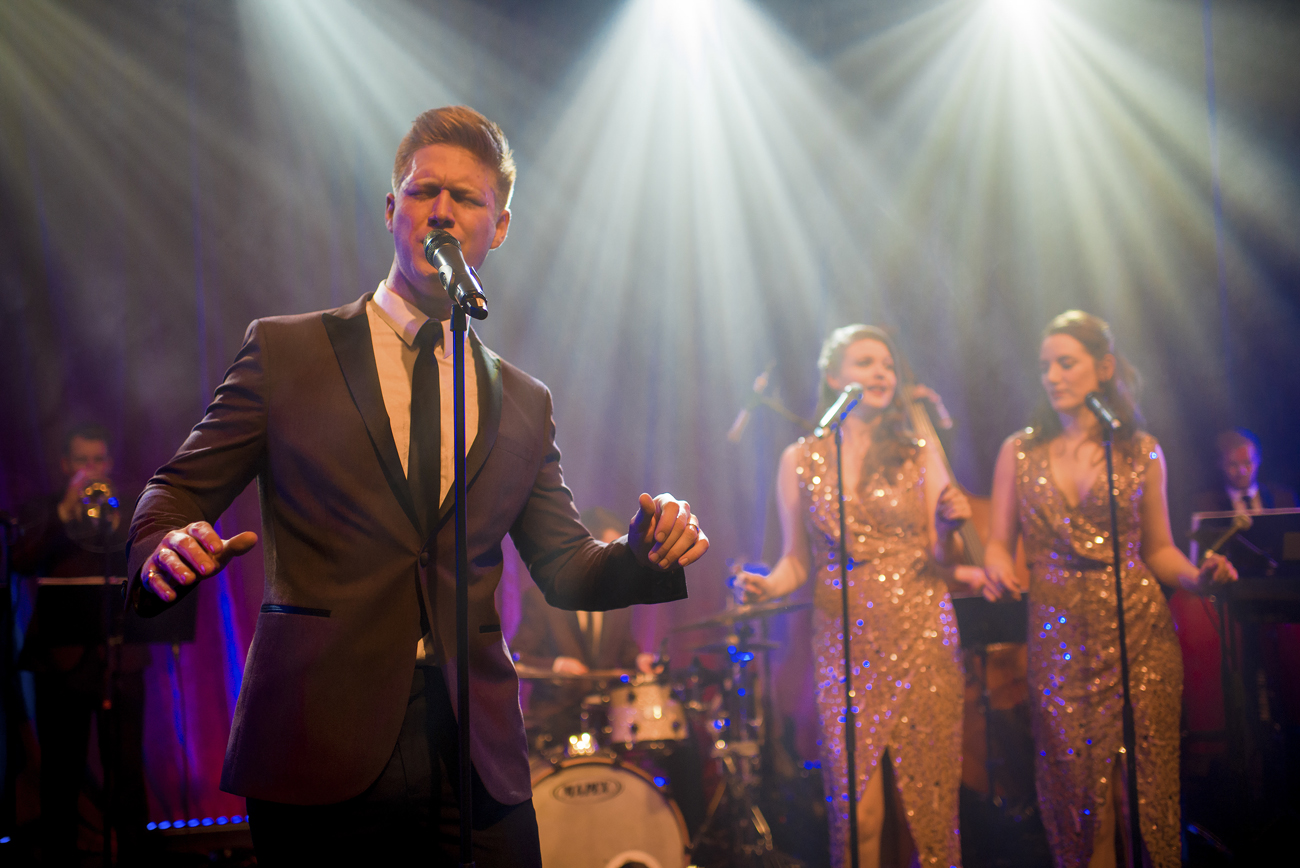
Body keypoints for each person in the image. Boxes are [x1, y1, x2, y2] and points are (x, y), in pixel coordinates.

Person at [126, 106, 709, 866]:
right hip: (319, 738)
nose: (442, 210)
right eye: (424, 190)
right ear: (392, 209)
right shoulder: (288, 352)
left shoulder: (522, 401)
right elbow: (175, 489)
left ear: (497, 228)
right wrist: (161, 543)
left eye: (466, 198)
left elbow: (565, 568)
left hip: (476, 753)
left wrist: (643, 552)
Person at [982, 310, 1236, 868]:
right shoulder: (1017, 451)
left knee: (1138, 797)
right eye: (1045, 365)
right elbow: (998, 542)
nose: (1052, 376)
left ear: (1103, 368)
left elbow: (1160, 549)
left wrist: (1197, 577)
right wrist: (998, 565)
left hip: (1137, 631)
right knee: (1080, 803)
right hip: (1058, 639)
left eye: (1065, 363)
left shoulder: (1140, 450)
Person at [736, 325, 980, 868]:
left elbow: (948, 556)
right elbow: (796, 560)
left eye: (888, 365)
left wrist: (951, 528)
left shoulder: (918, 452)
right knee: (858, 816)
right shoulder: (800, 459)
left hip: (923, 630)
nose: (881, 374)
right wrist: (765, 585)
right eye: (866, 362)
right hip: (846, 644)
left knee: (931, 817)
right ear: (833, 377)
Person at [12, 423, 148, 866]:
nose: (91, 470)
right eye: (82, 461)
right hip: (60, 662)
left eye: (98, 460)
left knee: (127, 775)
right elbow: (20, 561)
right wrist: (68, 508)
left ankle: (133, 859)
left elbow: (144, 555)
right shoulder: (45, 509)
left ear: (109, 463)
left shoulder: (127, 507)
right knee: (59, 776)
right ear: (66, 465)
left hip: (119, 660)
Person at [512, 506, 657, 741]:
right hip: (554, 721)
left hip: (606, 720)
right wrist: (557, 665)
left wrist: (640, 660)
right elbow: (517, 657)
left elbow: (626, 651)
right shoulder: (542, 598)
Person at [1191, 427, 1297, 515]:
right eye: (1233, 464)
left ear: (1259, 460)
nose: (1242, 471)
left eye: (1247, 463)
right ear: (1220, 464)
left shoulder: (1284, 499)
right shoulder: (1206, 505)